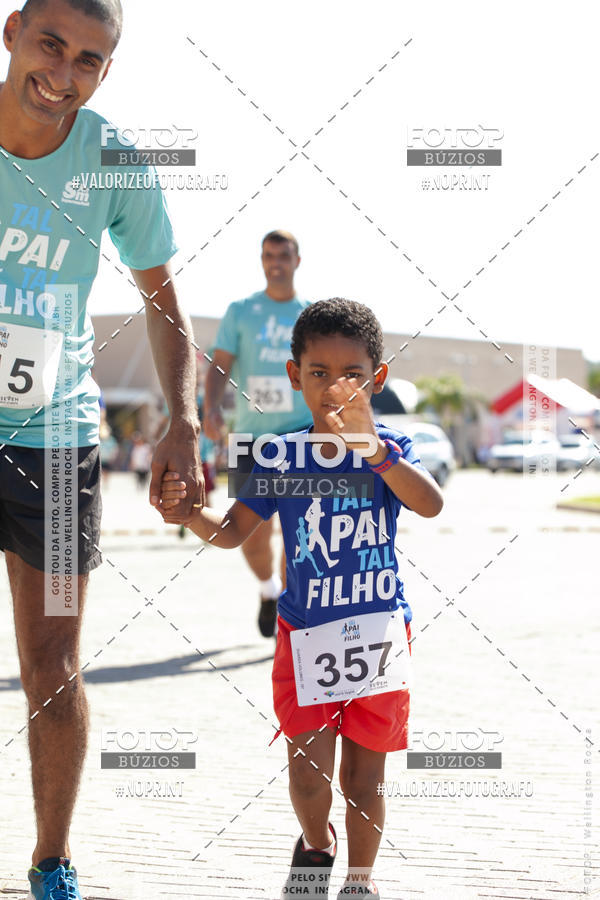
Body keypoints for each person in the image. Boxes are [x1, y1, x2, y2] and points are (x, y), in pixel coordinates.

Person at [0, 1, 204, 897]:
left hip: (53, 446)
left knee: (53, 662)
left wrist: (185, 420)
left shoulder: (113, 159)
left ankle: (52, 862)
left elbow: (162, 295)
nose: (65, 72)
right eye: (51, 44)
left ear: (105, 71)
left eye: (90, 58)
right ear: (11, 32)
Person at [161, 299, 444, 899]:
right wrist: (189, 515)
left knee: (365, 780)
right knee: (309, 775)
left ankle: (360, 883)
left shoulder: (390, 451)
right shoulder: (281, 456)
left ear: (377, 379)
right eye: (319, 372)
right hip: (304, 637)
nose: (335, 388)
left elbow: (430, 502)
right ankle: (317, 842)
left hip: (379, 637)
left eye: (351, 374)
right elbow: (236, 530)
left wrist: (376, 451)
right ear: (295, 377)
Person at [203, 230, 311, 638]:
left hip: (304, 436)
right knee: (250, 535)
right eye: (268, 254)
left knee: (298, 534)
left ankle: (286, 603)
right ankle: (267, 590)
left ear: (297, 260)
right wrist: (210, 407)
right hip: (251, 441)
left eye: (283, 254)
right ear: (261, 260)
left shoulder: (310, 313)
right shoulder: (241, 311)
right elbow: (220, 365)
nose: (276, 261)